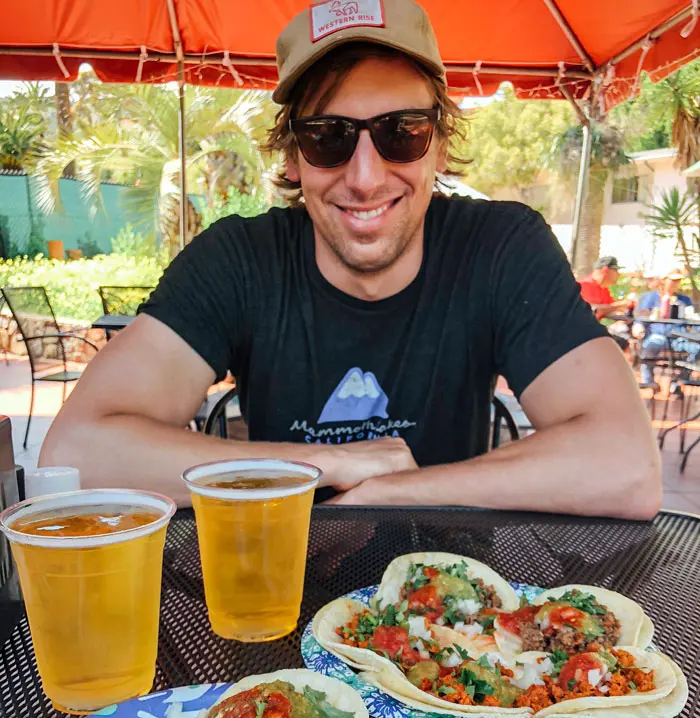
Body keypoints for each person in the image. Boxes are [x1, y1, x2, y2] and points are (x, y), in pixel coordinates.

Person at [39, 0, 660, 519]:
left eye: (402, 132)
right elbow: (77, 454)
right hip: (278, 595)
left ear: (439, 146)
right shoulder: (239, 260)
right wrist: (329, 465)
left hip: (456, 610)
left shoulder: (499, 247)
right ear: (292, 157)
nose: (365, 178)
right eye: (328, 137)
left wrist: (393, 491)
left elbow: (626, 467)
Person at [636, 269, 694, 388]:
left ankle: (678, 383)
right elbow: (642, 315)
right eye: (672, 280)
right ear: (664, 280)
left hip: (679, 338)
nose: (675, 283)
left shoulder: (684, 300)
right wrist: (638, 325)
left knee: (696, 350)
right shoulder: (651, 297)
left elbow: (692, 320)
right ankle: (649, 381)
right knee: (652, 344)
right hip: (657, 335)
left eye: (678, 280)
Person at [577, 256, 630, 321]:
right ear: (605, 270)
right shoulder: (584, 285)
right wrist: (617, 306)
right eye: (616, 270)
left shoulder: (603, 288)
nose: (618, 274)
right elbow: (591, 311)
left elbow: (611, 307)